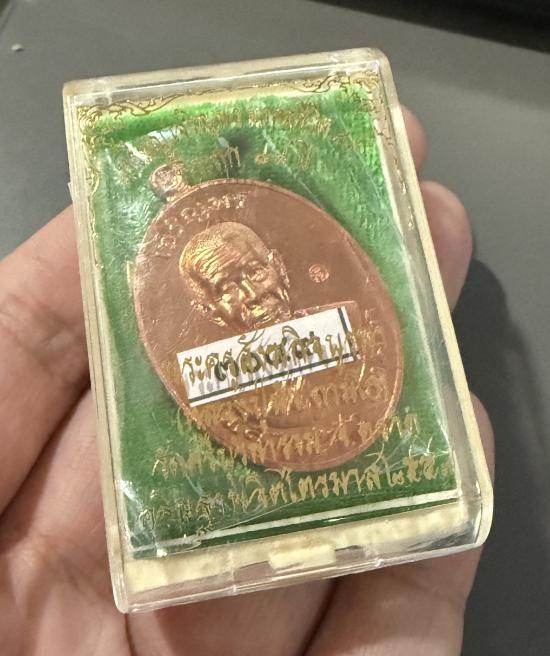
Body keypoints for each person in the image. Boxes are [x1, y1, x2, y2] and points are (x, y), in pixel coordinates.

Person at [0, 108, 494, 655]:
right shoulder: (209, 378)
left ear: (278, 265)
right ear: (207, 308)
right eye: (227, 287)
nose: (252, 294)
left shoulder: (350, 336)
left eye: (255, 271)